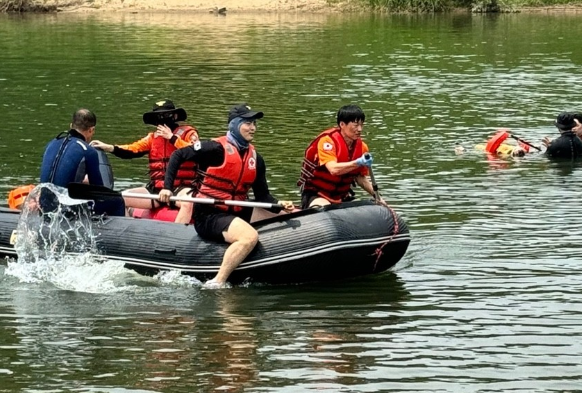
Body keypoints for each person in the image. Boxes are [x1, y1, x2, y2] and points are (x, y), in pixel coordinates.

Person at [158, 104, 296, 287]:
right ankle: (218, 282)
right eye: (248, 123)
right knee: (249, 237)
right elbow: (178, 155)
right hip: (208, 214)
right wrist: (167, 188)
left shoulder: (256, 158)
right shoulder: (214, 148)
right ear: (235, 124)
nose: (253, 128)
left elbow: (263, 197)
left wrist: (279, 203)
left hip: (238, 209)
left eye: (254, 123)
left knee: (289, 214)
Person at [91, 99, 198, 210]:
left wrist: (172, 138)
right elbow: (132, 149)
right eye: (158, 116)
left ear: (175, 116)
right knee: (120, 198)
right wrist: (110, 147)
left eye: (166, 115)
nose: (162, 119)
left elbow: (196, 152)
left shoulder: (188, 133)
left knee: (188, 203)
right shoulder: (152, 138)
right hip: (157, 189)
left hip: (182, 188)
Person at [40, 108, 124, 216]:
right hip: (66, 209)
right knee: (117, 201)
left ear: (71, 126)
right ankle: (110, 232)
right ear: (91, 130)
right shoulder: (88, 151)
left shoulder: (51, 143)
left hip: (44, 205)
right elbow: (98, 189)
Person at [298, 104, 383, 210]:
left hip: (341, 197)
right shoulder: (327, 141)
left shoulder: (362, 148)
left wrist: (378, 197)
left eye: (362, 125)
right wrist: (358, 162)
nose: (360, 129)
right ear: (342, 124)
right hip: (316, 194)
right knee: (324, 209)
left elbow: (360, 178)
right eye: (355, 125)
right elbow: (333, 169)